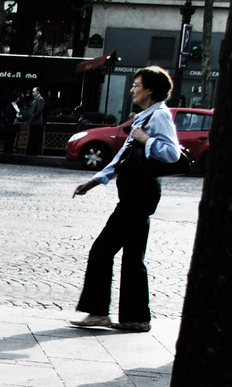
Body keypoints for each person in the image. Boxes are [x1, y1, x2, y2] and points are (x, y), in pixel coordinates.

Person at [69, 66, 179, 333]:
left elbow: (172, 154)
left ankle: (97, 313)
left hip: (140, 193)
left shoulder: (159, 116)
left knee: (102, 250)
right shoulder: (144, 116)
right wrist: (95, 181)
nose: (133, 89)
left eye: (137, 85)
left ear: (150, 89)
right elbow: (124, 158)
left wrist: (147, 139)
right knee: (132, 256)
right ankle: (136, 318)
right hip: (135, 191)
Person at [27, 86, 46, 155]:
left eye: (34, 92)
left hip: (36, 122)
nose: (32, 93)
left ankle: (33, 152)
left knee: (34, 137)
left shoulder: (40, 99)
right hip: (33, 122)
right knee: (32, 137)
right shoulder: (36, 99)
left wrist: (33, 117)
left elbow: (39, 110)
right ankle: (31, 151)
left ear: (38, 92)